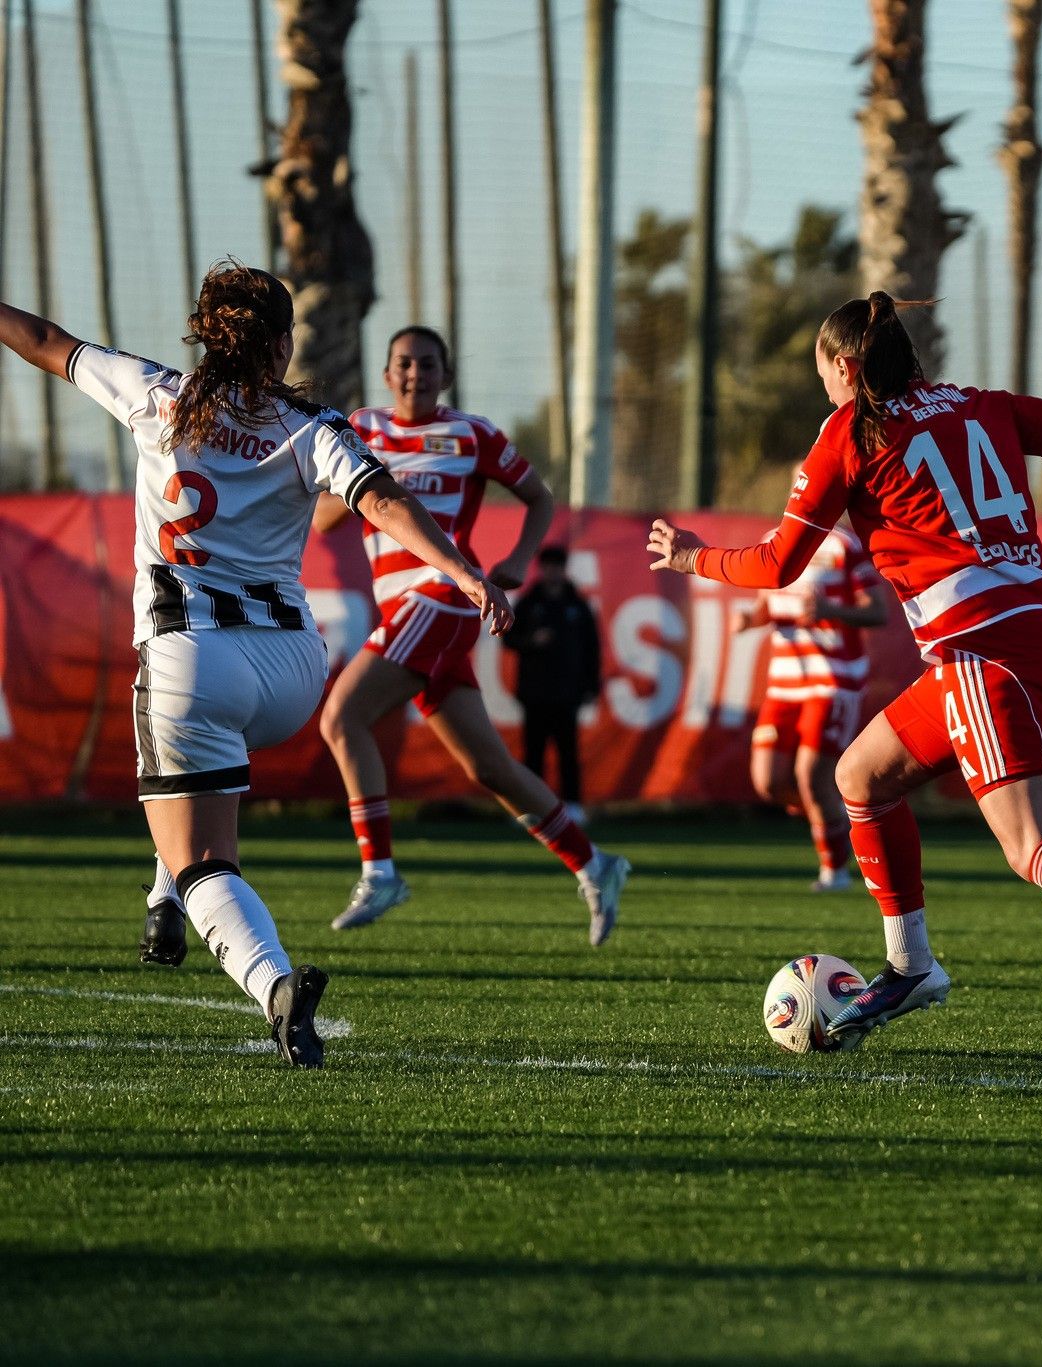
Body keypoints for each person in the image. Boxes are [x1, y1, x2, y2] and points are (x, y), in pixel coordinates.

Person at [648, 292, 1042, 1074]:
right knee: (860, 777)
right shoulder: (981, 404)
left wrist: (692, 556)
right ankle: (910, 966)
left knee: (1034, 844)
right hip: (1040, 631)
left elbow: (776, 563)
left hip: (981, 648)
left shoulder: (849, 432)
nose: (825, 389)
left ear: (845, 367)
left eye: (824, 373)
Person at [0, 263, 512, 1066]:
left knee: (204, 856)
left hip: (191, 659)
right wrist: (465, 571)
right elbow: (382, 500)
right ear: (280, 346)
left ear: (207, 336)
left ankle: (267, 980)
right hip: (291, 671)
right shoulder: (312, 425)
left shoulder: (156, 393)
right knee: (196, 773)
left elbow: (41, 340)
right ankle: (165, 890)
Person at [315, 327, 629, 945]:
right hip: (403, 608)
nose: (415, 374)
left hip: (443, 595)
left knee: (341, 718)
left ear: (446, 374)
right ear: (387, 375)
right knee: (488, 766)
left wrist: (520, 560)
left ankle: (380, 872)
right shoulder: (361, 428)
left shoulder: (471, 434)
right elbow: (325, 519)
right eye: (404, 364)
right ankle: (596, 864)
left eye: (428, 364)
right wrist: (361, 485)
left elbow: (540, 499)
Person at [729, 516, 887, 890]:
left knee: (811, 776)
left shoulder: (843, 546)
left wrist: (832, 612)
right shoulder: (772, 541)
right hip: (785, 683)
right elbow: (767, 605)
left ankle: (835, 872)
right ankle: (836, 818)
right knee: (768, 782)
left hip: (833, 678)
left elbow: (877, 611)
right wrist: (749, 619)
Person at [508, 544, 601, 822]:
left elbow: (592, 649)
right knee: (533, 754)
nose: (552, 572)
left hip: (567, 693)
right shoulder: (529, 602)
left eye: (557, 567)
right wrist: (531, 641)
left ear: (564, 569)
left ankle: (572, 805)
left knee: (568, 753)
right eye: (547, 567)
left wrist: (591, 686)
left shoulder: (578, 605)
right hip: (534, 692)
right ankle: (531, 808)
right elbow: (508, 638)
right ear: (541, 569)